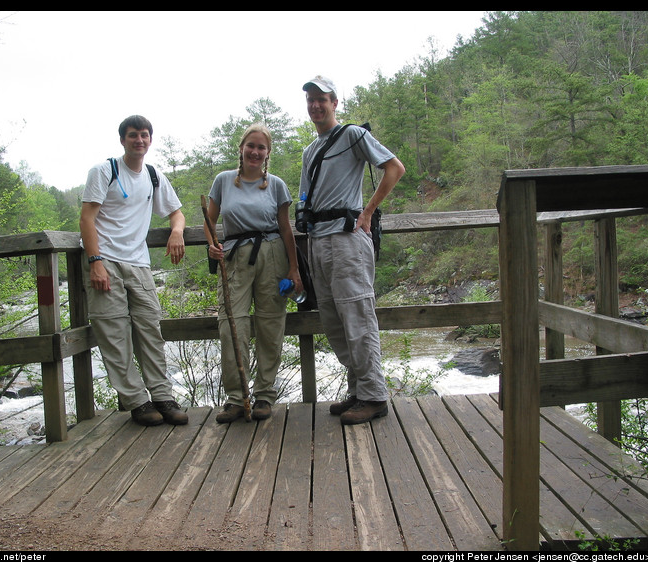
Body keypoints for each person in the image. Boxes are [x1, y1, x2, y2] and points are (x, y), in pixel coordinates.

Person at [300, 76, 405, 425]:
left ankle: (374, 396)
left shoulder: (353, 136)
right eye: (311, 100)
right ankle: (358, 390)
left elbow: (394, 168)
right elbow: (304, 200)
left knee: (357, 317)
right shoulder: (310, 151)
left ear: (334, 103)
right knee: (333, 322)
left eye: (322, 99)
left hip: (347, 240)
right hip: (317, 241)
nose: (316, 105)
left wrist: (368, 211)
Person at [79, 115, 188, 427]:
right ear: (122, 140)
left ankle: (162, 396)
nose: (139, 140)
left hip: (138, 262)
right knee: (114, 334)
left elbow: (176, 212)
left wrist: (177, 231)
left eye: (144, 135)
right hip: (106, 260)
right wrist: (95, 261)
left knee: (150, 329)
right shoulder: (105, 171)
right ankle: (137, 401)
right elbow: (87, 218)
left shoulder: (153, 176)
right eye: (132, 135)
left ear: (150, 140)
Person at [204, 124, 302, 423]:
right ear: (241, 148)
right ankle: (236, 398)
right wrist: (212, 246)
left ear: (267, 153)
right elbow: (210, 223)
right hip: (233, 258)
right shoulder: (223, 181)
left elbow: (286, 229)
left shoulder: (276, 185)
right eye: (251, 146)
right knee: (231, 323)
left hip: (272, 253)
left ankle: (264, 395)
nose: (255, 152)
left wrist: (294, 268)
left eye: (262, 148)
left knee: (271, 324)